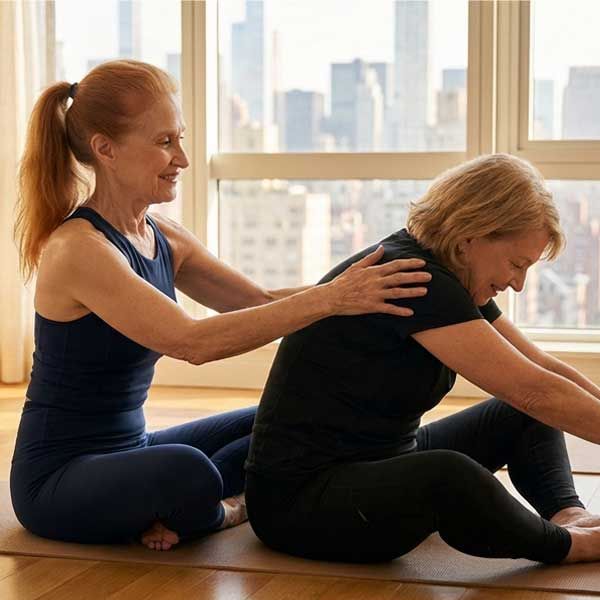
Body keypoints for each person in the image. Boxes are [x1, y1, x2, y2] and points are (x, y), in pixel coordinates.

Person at [10, 59, 431, 551]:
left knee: (278, 419)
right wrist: (330, 299)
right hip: (57, 478)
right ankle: (222, 510)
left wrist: (360, 285)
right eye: (165, 142)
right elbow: (192, 342)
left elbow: (255, 301)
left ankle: (172, 510)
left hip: (133, 450)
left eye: (180, 139)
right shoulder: (80, 249)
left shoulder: (161, 234)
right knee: (188, 472)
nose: (183, 159)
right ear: (105, 149)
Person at [246, 153, 600, 566]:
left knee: (522, 416)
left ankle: (570, 515)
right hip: (301, 501)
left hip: (386, 460)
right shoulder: (416, 279)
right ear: (471, 237)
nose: (519, 284)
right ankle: (570, 544)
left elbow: (541, 369)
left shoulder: (448, 272)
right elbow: (535, 391)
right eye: (516, 264)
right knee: (450, 475)